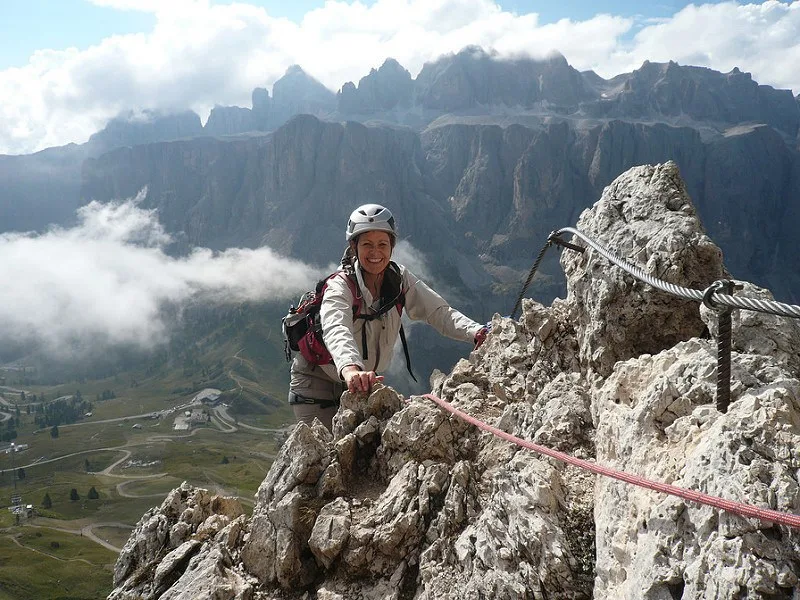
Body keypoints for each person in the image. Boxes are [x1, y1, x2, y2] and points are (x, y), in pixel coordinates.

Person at [288, 203, 489, 430]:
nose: (376, 252)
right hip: (317, 384)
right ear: (354, 247)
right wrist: (351, 368)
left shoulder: (400, 279)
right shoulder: (340, 287)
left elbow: (438, 312)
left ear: (392, 246)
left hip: (360, 383)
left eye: (383, 244)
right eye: (367, 245)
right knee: (326, 458)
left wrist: (477, 332)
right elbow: (336, 328)